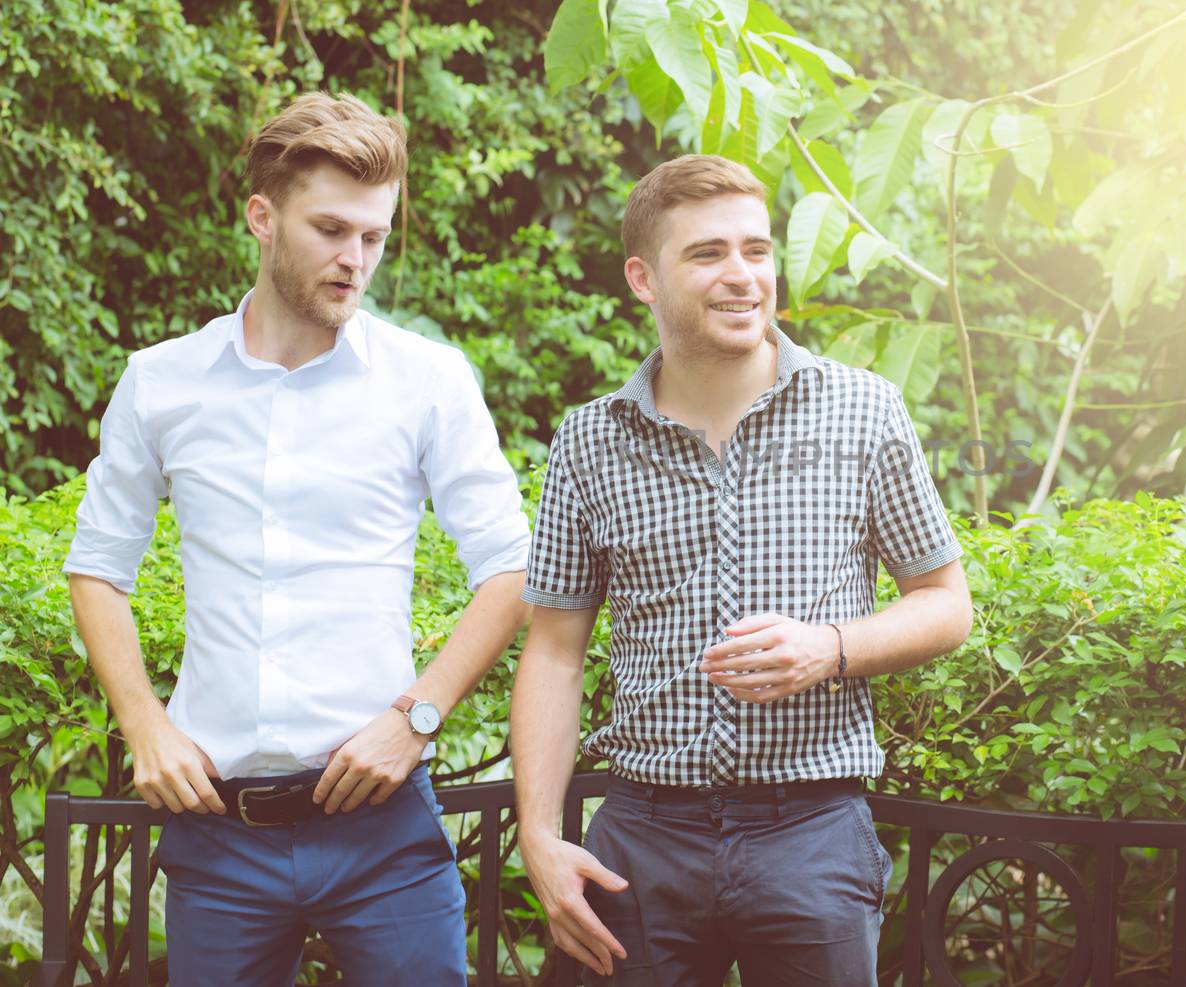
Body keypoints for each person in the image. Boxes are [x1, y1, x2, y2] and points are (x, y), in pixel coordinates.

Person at [63, 91, 532, 987]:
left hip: (385, 826)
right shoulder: (162, 382)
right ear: (262, 217)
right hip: (218, 832)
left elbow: (510, 567)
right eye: (330, 230)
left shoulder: (427, 380)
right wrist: (143, 721)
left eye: (375, 237)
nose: (355, 260)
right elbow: (97, 566)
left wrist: (416, 718)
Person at [510, 154, 973, 985]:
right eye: (708, 253)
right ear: (642, 277)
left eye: (757, 251)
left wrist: (830, 647)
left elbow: (944, 603)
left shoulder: (864, 410)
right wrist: (540, 838)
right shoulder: (589, 439)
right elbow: (553, 652)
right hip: (639, 839)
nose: (742, 276)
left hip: (811, 830)